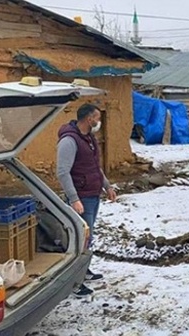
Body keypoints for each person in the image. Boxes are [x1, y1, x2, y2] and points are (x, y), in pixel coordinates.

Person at [56, 103, 117, 298]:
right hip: (81, 196)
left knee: (87, 236)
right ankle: (74, 282)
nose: (99, 121)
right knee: (79, 239)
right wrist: (74, 199)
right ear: (88, 118)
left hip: (92, 194)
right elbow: (63, 172)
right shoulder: (69, 140)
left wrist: (106, 186)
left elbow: (93, 166)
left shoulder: (88, 138)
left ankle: (83, 270)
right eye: (97, 118)